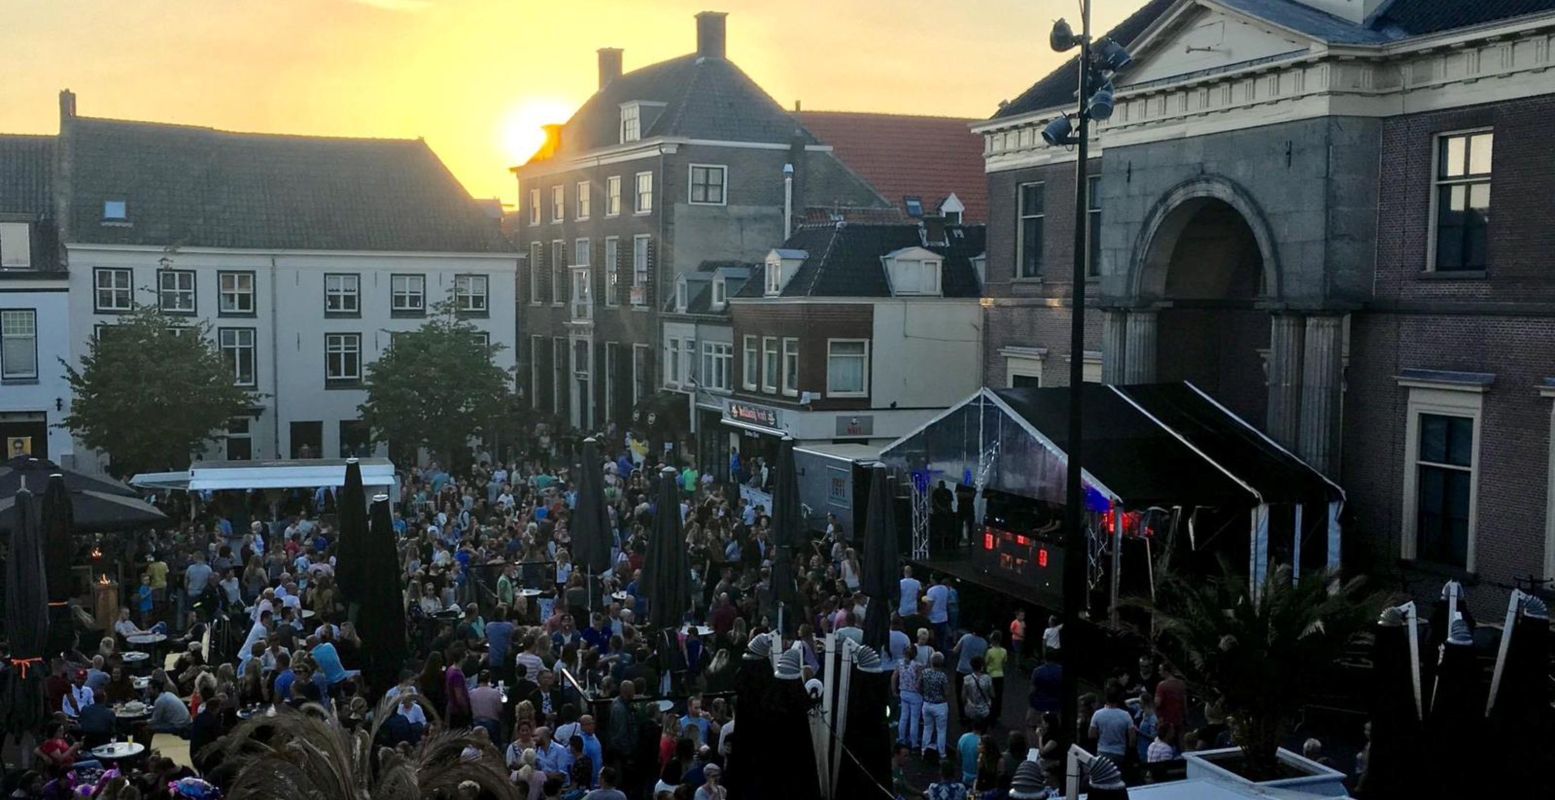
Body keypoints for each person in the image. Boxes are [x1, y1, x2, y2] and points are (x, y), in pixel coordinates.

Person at [1088, 686, 1136, 761]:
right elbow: (1132, 739)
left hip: (1102, 751)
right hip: (1119, 753)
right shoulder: (1126, 715)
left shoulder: (1097, 714)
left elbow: (1091, 735)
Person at [920, 652, 951, 760]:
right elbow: (947, 692)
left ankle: (924, 750)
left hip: (927, 703)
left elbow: (918, 686)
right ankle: (941, 753)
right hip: (940, 705)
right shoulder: (942, 676)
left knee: (927, 728)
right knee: (941, 730)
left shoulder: (924, 673)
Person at [893, 643, 924, 749]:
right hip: (915, 694)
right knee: (914, 719)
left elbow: (894, 677)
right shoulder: (918, 665)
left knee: (903, 717)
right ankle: (914, 742)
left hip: (903, 692)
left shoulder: (899, 663)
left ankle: (901, 739)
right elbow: (920, 680)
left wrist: (894, 690)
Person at [961, 656, 995, 730]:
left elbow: (963, 696)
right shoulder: (988, 678)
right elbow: (992, 694)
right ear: (982, 666)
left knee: (971, 728)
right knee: (983, 729)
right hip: (984, 709)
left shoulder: (967, 679)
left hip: (971, 709)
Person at [984, 631, 1008, 726]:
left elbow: (986, 663)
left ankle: (988, 714)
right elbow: (1004, 663)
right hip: (1000, 675)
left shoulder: (989, 651)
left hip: (991, 675)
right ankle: (996, 714)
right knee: (998, 696)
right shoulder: (1004, 651)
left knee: (989, 695)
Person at [956, 721, 982, 785]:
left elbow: (958, 756)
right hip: (977, 777)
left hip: (965, 773)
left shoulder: (963, 737)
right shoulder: (982, 742)